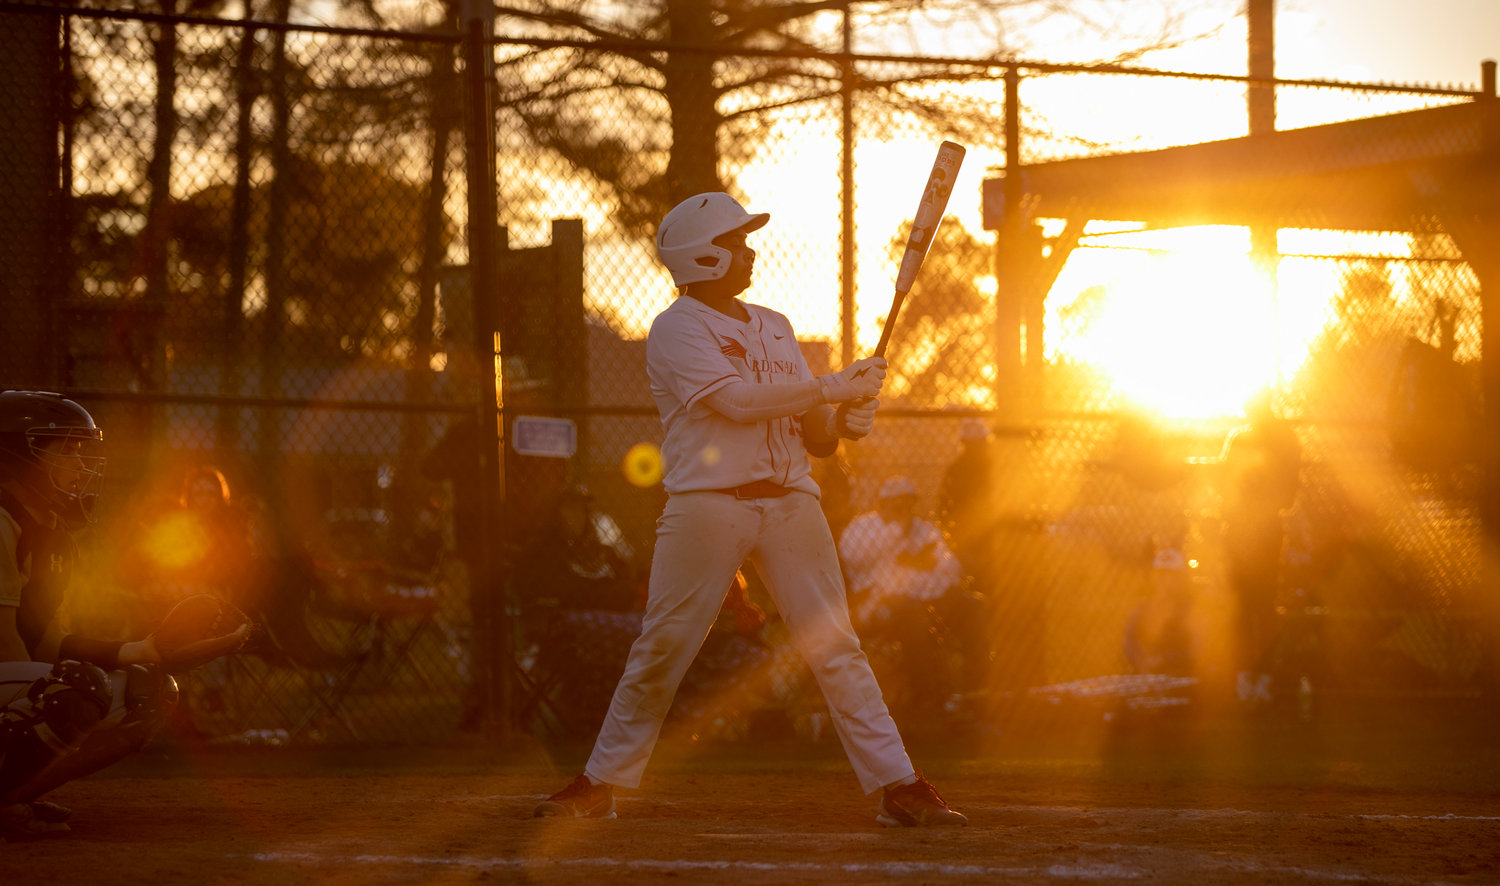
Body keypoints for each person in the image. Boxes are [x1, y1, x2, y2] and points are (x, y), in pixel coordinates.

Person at [533, 193, 966, 827]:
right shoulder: (677, 327)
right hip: (708, 506)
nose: (749, 251)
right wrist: (830, 387)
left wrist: (846, 415)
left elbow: (814, 432)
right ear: (703, 256)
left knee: (836, 645)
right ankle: (601, 782)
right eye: (736, 242)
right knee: (665, 645)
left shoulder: (775, 324)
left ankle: (898, 785)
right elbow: (735, 403)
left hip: (791, 502)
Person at [0, 391, 250, 839]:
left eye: (83, 450)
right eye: (66, 450)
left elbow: (47, 641)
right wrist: (76, 684)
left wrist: (149, 650)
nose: (81, 464)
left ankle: (10, 797)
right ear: (17, 455)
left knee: (147, 690)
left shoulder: (53, 536)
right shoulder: (2, 521)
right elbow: (7, 647)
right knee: (77, 688)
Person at [839, 475, 981, 718]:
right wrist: (897, 533)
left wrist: (920, 561)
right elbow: (851, 556)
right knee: (909, 612)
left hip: (929, 601)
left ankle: (975, 691)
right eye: (896, 503)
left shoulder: (924, 529)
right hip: (878, 605)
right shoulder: (863, 527)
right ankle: (926, 696)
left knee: (972, 605)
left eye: (908, 503)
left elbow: (949, 567)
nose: (903, 509)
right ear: (881, 504)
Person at [1217, 388, 1301, 706]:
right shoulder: (1246, 439)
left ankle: (1258, 680)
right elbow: (1226, 482)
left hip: (1259, 530)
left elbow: (1287, 489)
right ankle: (1249, 679)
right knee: (1246, 605)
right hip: (1245, 529)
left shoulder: (1277, 439)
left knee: (1257, 605)